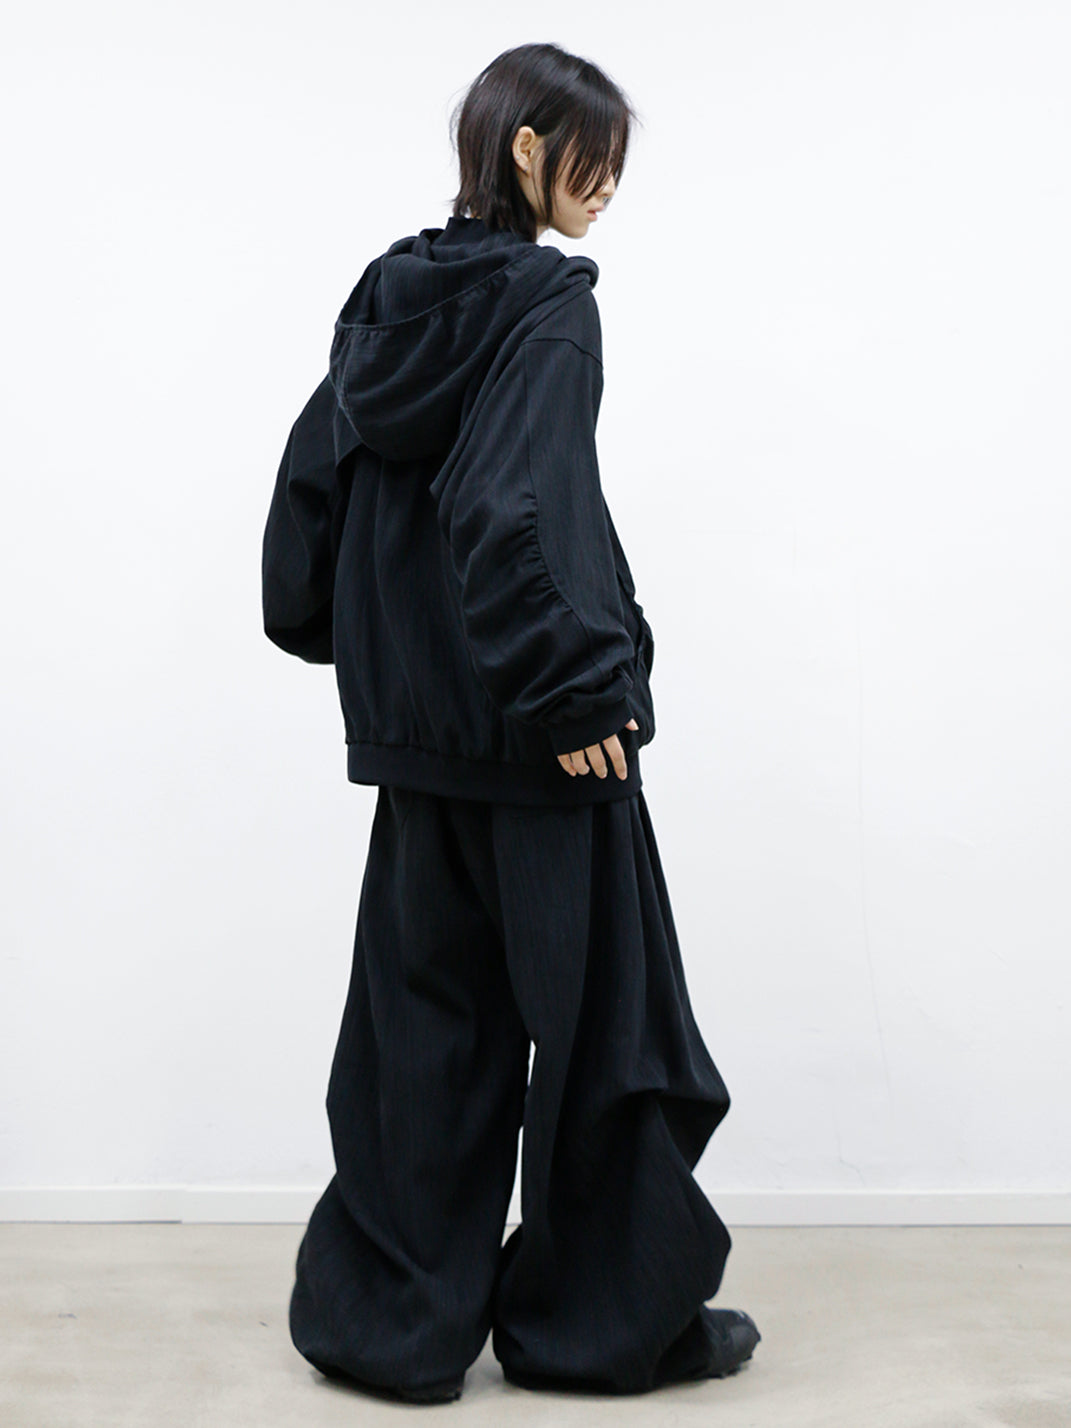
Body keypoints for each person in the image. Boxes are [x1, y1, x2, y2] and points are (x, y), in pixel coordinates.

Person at [261, 40, 761, 1406]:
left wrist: (375, 651)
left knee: (421, 1044)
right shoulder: (547, 306)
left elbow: (310, 497)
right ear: (527, 148)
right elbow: (514, 496)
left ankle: (391, 1329)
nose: (609, 185)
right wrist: (572, 684)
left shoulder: (388, 305)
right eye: (593, 155)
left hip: (424, 749)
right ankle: (599, 1329)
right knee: (609, 1041)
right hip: (548, 744)